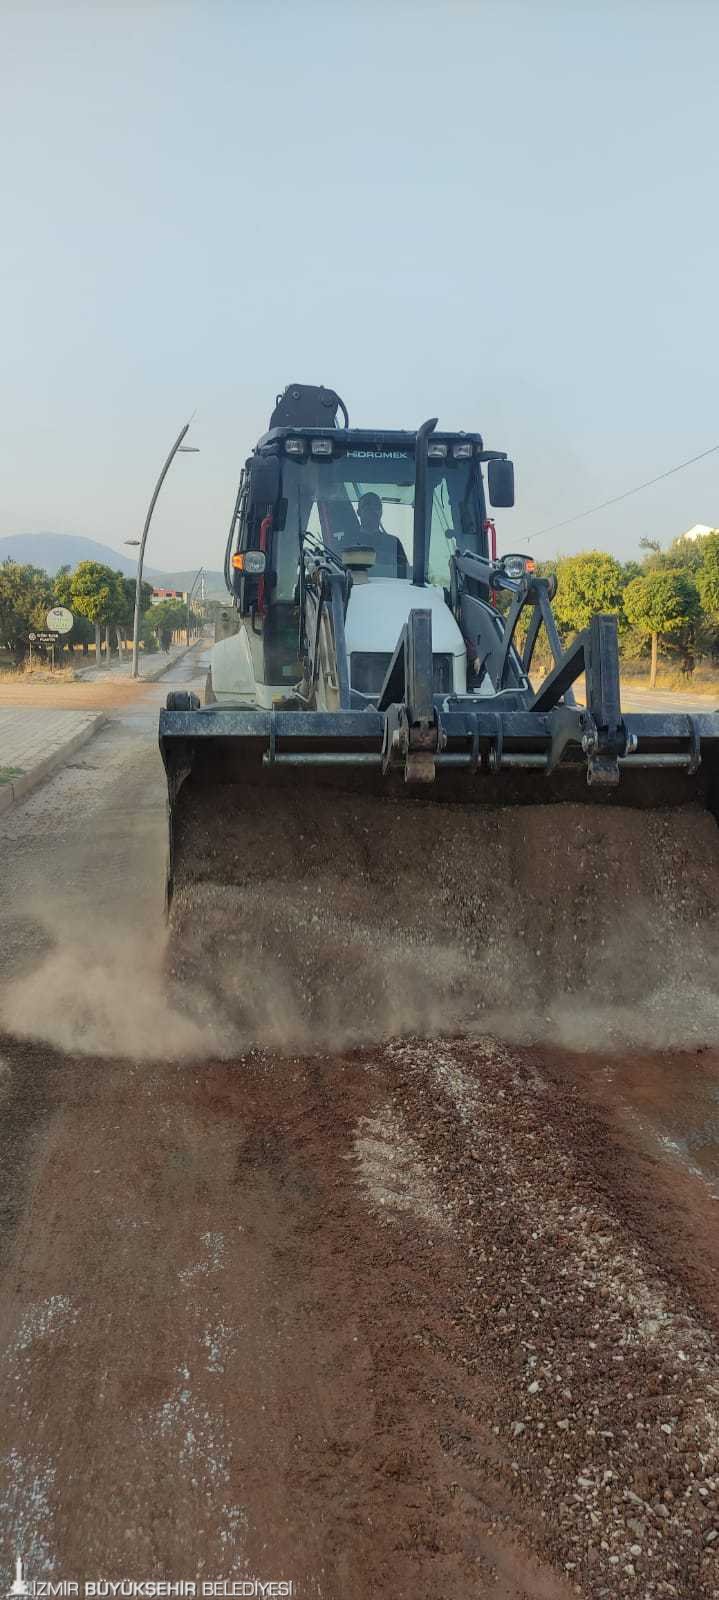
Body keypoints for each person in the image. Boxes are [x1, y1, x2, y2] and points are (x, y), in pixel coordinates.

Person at [356, 493, 408, 577]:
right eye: (367, 506)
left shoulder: (394, 543)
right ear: (358, 512)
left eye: (376, 507)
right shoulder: (348, 542)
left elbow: (404, 574)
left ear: (381, 512)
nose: (372, 510)